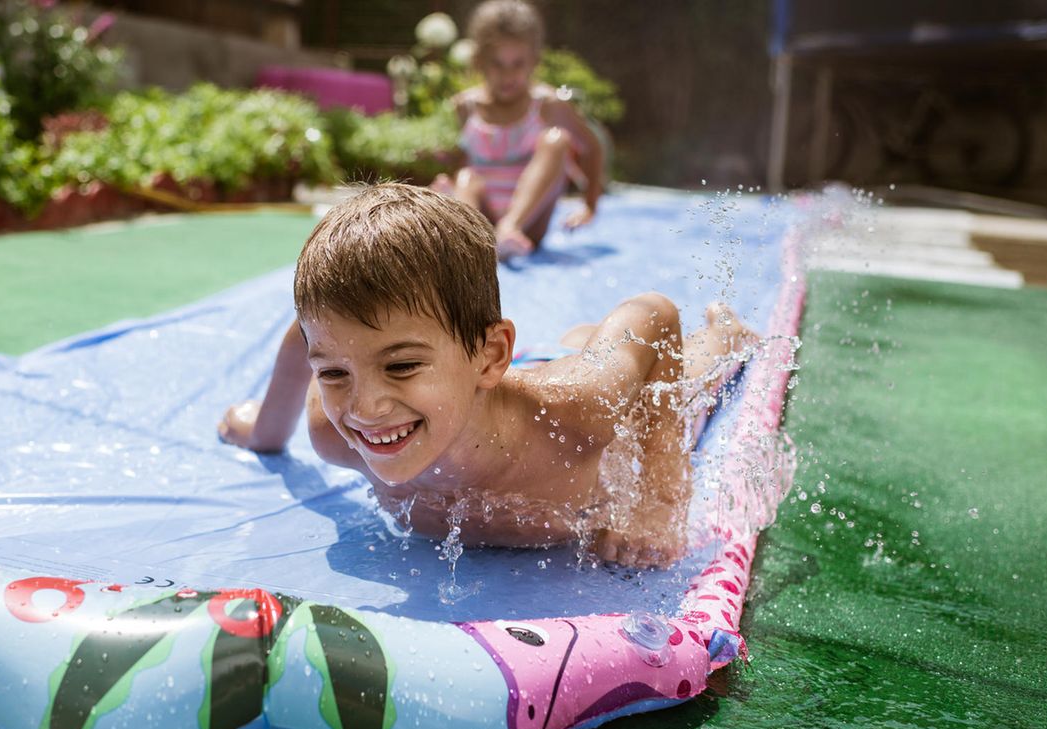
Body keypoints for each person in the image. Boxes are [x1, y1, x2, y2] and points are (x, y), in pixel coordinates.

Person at [218, 184, 753, 567]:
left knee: (687, 387)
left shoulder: (575, 414)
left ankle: (724, 332)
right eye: (333, 372)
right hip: (473, 385)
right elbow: (304, 336)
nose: (365, 407)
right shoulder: (336, 433)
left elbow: (653, 313)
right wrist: (265, 429)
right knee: (572, 347)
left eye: (400, 365)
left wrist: (660, 501)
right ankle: (573, 339)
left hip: (553, 393)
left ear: (491, 354)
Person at [432, 0, 606, 258]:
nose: (508, 75)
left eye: (517, 64)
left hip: (529, 225)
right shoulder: (465, 107)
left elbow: (591, 146)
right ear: (479, 61)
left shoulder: (547, 105)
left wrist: (589, 206)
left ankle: (509, 228)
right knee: (466, 177)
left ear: (534, 61)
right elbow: (455, 164)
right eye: (498, 64)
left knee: (555, 140)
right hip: (482, 218)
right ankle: (473, 240)